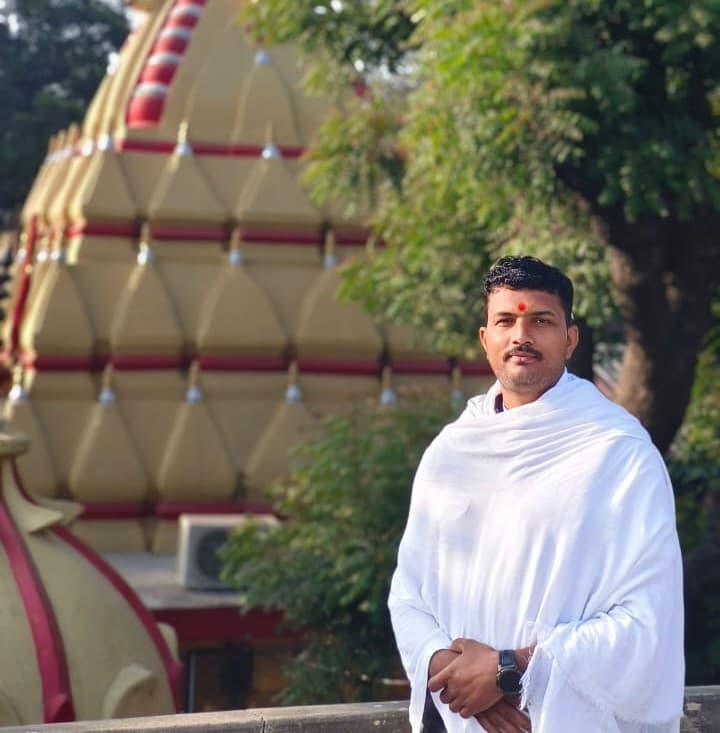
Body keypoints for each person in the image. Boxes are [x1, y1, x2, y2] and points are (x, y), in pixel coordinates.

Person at [388, 256, 684, 733]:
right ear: (485, 340)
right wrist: (460, 682)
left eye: (540, 321)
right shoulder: (452, 451)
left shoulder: (617, 454)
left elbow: (646, 624)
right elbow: (408, 596)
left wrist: (509, 669)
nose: (520, 336)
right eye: (505, 321)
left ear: (570, 339)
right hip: (463, 717)